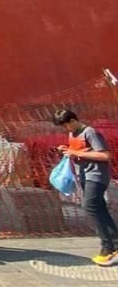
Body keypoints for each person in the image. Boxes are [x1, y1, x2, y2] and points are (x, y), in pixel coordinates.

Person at [53, 109, 118, 266]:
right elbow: (78, 151)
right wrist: (67, 150)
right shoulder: (72, 135)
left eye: (66, 125)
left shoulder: (90, 132)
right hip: (83, 175)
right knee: (98, 208)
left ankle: (108, 248)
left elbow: (105, 155)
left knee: (90, 206)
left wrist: (75, 153)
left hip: (96, 175)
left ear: (73, 121)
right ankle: (115, 243)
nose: (65, 129)